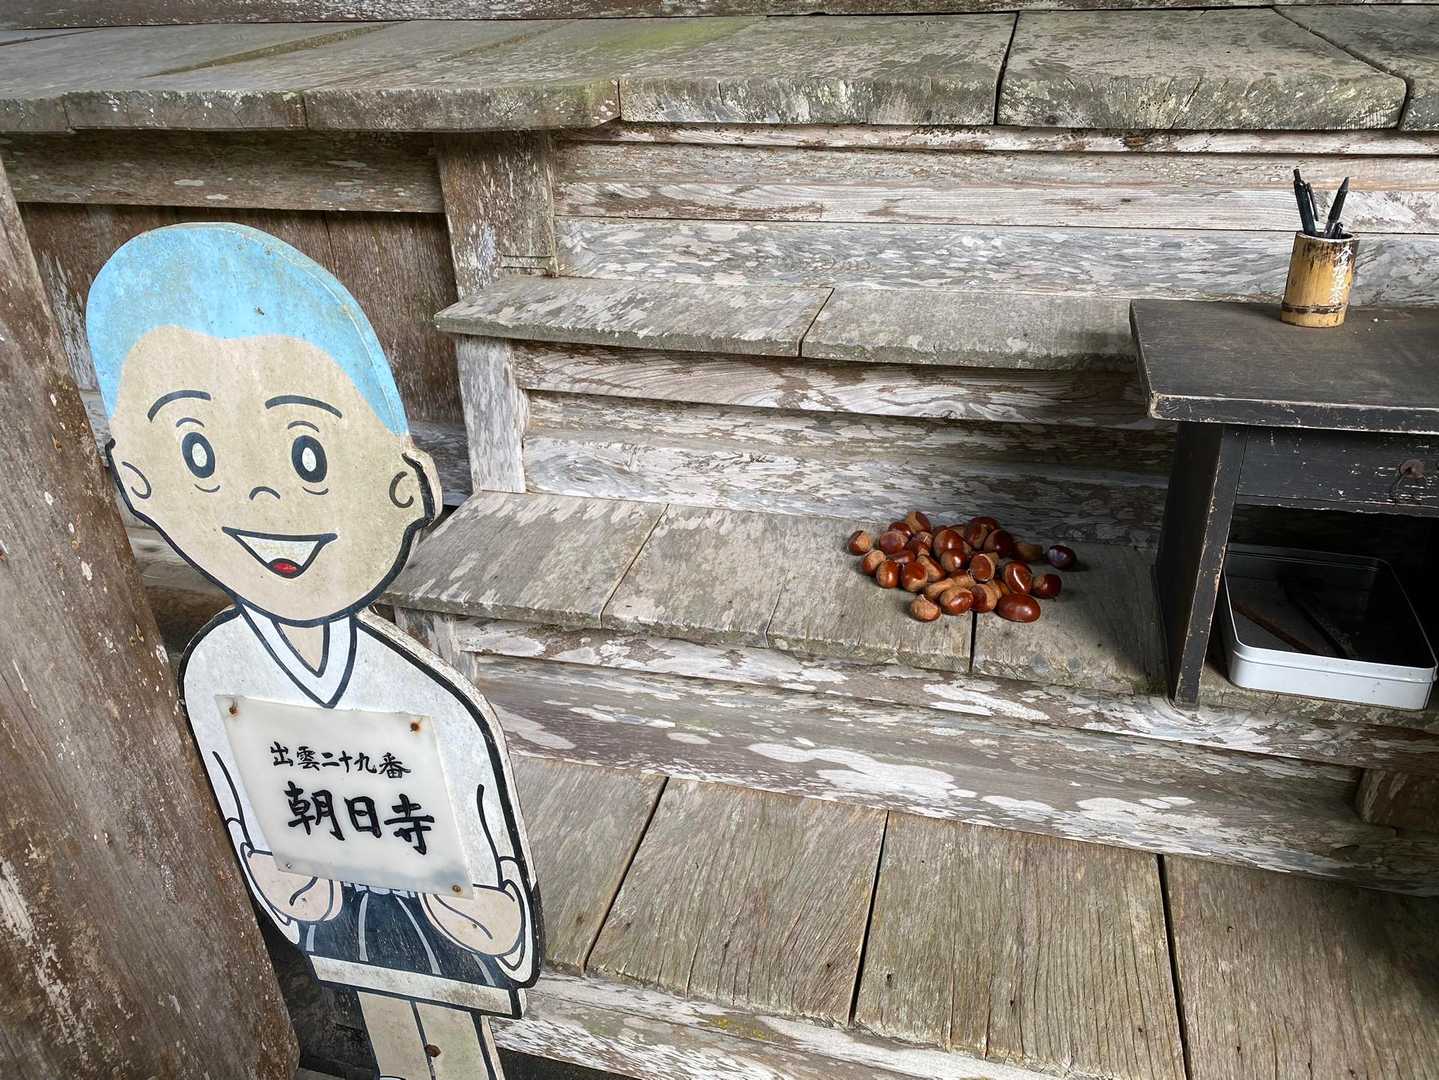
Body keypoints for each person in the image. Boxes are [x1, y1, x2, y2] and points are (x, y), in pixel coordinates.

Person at [88, 222, 540, 1080]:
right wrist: (288, 895)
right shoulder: (215, 672)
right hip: (341, 934)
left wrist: (501, 924)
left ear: (406, 486)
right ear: (139, 480)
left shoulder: (427, 698)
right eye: (197, 451)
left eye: (305, 453)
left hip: (449, 948)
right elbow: (244, 815)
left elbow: (500, 874)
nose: (261, 494)